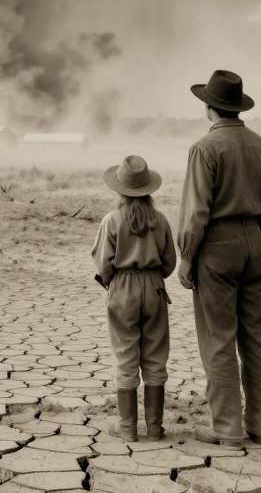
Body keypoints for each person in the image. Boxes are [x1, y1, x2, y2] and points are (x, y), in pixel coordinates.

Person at [177, 69, 261, 447]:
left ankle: (227, 428)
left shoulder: (204, 148)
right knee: (257, 338)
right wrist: (255, 241)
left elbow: (196, 211)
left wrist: (187, 257)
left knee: (219, 339)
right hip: (254, 241)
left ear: (209, 107)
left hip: (217, 245)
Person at [92, 154, 176, 442]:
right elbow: (169, 262)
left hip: (123, 286)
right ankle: (154, 428)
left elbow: (103, 263)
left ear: (119, 189)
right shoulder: (160, 219)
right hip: (154, 285)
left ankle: (128, 427)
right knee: (155, 356)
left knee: (125, 354)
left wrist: (111, 281)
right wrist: (152, 276)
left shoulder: (112, 220)